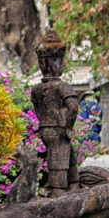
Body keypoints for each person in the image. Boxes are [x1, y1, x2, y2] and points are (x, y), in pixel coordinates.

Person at [32, 30, 80, 197]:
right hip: (60, 127)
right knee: (58, 159)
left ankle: (74, 183)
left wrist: (44, 122)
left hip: (45, 128)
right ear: (57, 62)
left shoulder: (37, 89)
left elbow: (37, 109)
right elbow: (74, 106)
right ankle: (58, 190)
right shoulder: (61, 86)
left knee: (67, 153)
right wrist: (69, 126)